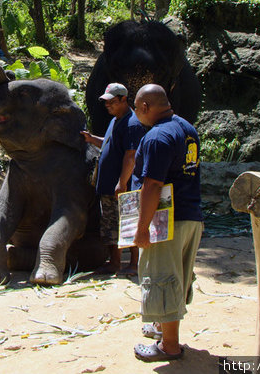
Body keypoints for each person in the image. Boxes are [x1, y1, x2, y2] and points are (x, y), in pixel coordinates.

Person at [130, 84, 202, 362]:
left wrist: (141, 228)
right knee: (178, 276)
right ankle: (162, 327)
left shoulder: (157, 137)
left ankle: (169, 346)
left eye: (137, 109)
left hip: (166, 221)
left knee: (161, 277)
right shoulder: (187, 129)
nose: (136, 114)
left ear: (145, 107)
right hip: (191, 216)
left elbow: (152, 185)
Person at [81, 82, 147, 276]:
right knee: (110, 225)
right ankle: (114, 262)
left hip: (122, 187)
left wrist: (122, 182)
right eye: (105, 102)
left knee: (129, 222)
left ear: (123, 99)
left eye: (111, 101)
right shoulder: (115, 120)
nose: (107, 105)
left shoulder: (132, 123)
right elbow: (109, 144)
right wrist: (91, 138)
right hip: (109, 186)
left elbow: (131, 155)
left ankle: (134, 263)